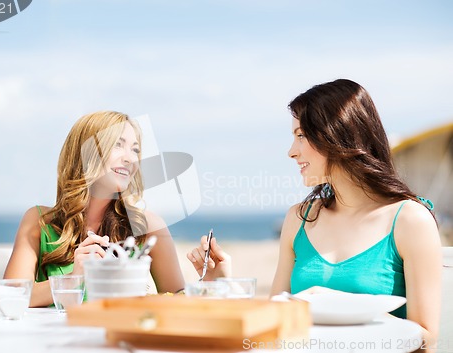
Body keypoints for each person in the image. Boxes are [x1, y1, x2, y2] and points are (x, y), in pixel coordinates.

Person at [187, 79, 442, 347]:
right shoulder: (298, 219)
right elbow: (275, 322)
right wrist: (224, 284)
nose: (291, 152)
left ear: (337, 134)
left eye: (301, 135)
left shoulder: (409, 220)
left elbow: (426, 338)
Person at [5, 111, 185, 307]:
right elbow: (11, 296)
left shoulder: (149, 226)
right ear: (86, 152)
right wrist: (74, 278)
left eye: (135, 150)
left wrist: (211, 279)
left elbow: (177, 300)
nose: (130, 159)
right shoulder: (39, 221)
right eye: (118, 144)